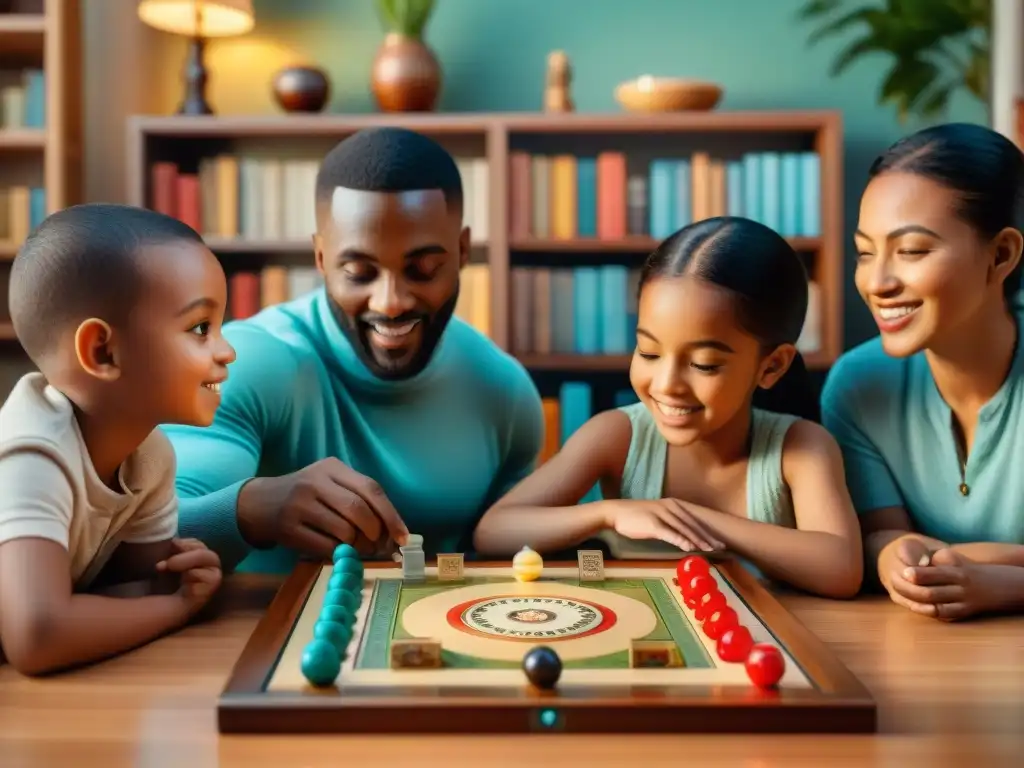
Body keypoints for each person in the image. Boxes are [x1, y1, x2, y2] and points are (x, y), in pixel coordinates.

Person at [163, 127, 544, 573]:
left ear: (462, 252)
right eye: (360, 272)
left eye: (423, 269)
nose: (391, 302)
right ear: (321, 258)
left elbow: (525, 554)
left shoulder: (503, 388)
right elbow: (142, 534)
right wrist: (253, 509)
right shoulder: (249, 363)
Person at [474, 216, 863, 599]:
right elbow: (494, 531)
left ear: (772, 365)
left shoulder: (800, 447)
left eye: (704, 364)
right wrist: (608, 514)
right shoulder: (618, 436)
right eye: (649, 351)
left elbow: (841, 569)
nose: (666, 385)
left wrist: (692, 518)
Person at [0, 204, 231, 676]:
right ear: (102, 352)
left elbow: (133, 590)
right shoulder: (32, 454)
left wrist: (176, 580)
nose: (226, 351)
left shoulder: (149, 455)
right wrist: (177, 608)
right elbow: (36, 637)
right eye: (200, 329)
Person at [821, 122, 1024, 621]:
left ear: (1001, 255)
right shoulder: (858, 385)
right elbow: (881, 534)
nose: (877, 282)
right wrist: (892, 555)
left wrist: (1009, 585)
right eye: (865, 253)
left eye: (911, 250)